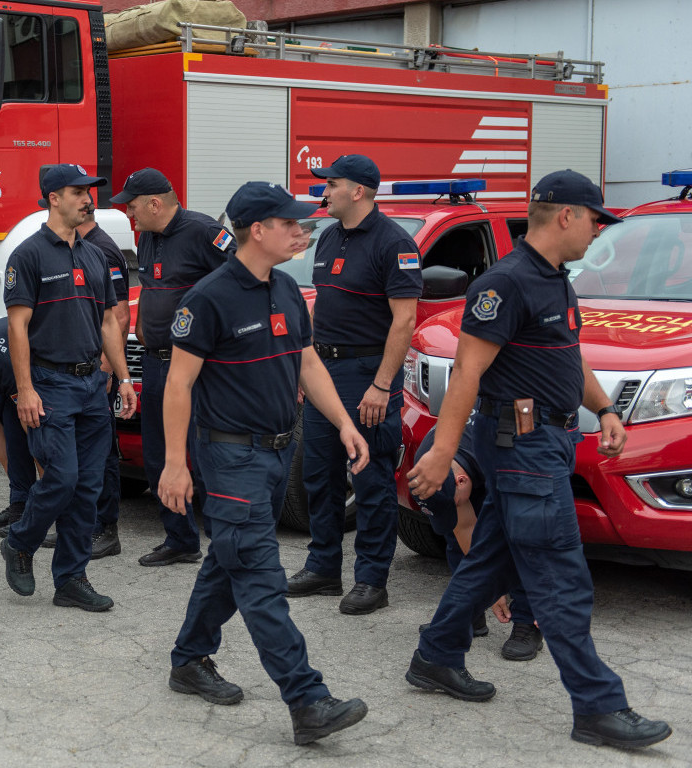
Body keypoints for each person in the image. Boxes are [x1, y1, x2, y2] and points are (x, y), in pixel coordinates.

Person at [405, 170, 671, 749]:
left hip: (546, 442)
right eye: (596, 221)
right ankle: (599, 709)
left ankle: (435, 656)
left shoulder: (556, 281)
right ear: (567, 215)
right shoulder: (506, 283)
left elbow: (568, 358)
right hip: (522, 447)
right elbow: (468, 373)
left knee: (492, 561)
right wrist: (444, 454)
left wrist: (603, 409)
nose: (598, 234)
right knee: (561, 578)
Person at [156, 181, 369, 746]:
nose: (303, 231)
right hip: (230, 457)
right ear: (259, 230)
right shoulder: (208, 297)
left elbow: (306, 363)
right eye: (291, 223)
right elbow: (178, 385)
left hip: (278, 451)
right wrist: (175, 464)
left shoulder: (285, 290)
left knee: (229, 559)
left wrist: (345, 422)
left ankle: (188, 660)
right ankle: (307, 700)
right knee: (258, 575)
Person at [0, 163, 136, 612]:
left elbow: (107, 323)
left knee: (89, 485)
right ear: (53, 197)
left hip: (92, 385)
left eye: (88, 191)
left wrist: (123, 377)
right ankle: (20, 541)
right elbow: (17, 329)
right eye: (78, 191)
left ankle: (71, 579)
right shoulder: (29, 255)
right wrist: (26, 389)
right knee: (62, 477)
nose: (87, 198)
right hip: (48, 383)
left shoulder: (96, 254)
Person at [288, 154, 421, 615]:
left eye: (332, 184)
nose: (323, 191)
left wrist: (382, 386)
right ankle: (324, 566)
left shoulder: (394, 244)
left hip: (366, 376)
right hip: (325, 371)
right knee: (319, 475)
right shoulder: (328, 238)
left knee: (370, 479)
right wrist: (306, 369)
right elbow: (320, 304)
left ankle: (371, 579)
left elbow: (404, 322)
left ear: (358, 191)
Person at [110, 168, 233, 567]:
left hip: (197, 368)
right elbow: (150, 287)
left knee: (201, 458)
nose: (130, 214)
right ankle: (180, 539)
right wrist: (145, 327)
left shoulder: (203, 232)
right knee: (159, 457)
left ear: (155, 203)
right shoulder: (147, 237)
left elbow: (237, 284)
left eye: (132, 207)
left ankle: (224, 545)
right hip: (156, 363)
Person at [414, 422, 542, 660]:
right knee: (455, 540)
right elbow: (463, 527)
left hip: (512, 457)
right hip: (475, 463)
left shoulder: (501, 453)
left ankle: (527, 622)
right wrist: (488, 591)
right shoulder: (426, 465)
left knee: (517, 541)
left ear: (461, 481)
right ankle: (468, 611)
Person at [78, 207, 129, 560]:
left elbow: (119, 314)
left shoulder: (102, 249)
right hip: (83, 370)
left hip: (99, 370)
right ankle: (83, 526)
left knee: (103, 452)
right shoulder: (80, 245)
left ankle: (105, 529)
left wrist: (110, 369)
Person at [0, 317, 37, 532]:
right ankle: (20, 503)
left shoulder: (5, 370)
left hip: (25, 367)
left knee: (23, 430)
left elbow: (34, 432)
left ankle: (42, 509)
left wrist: (48, 494)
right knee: (11, 437)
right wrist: (14, 476)